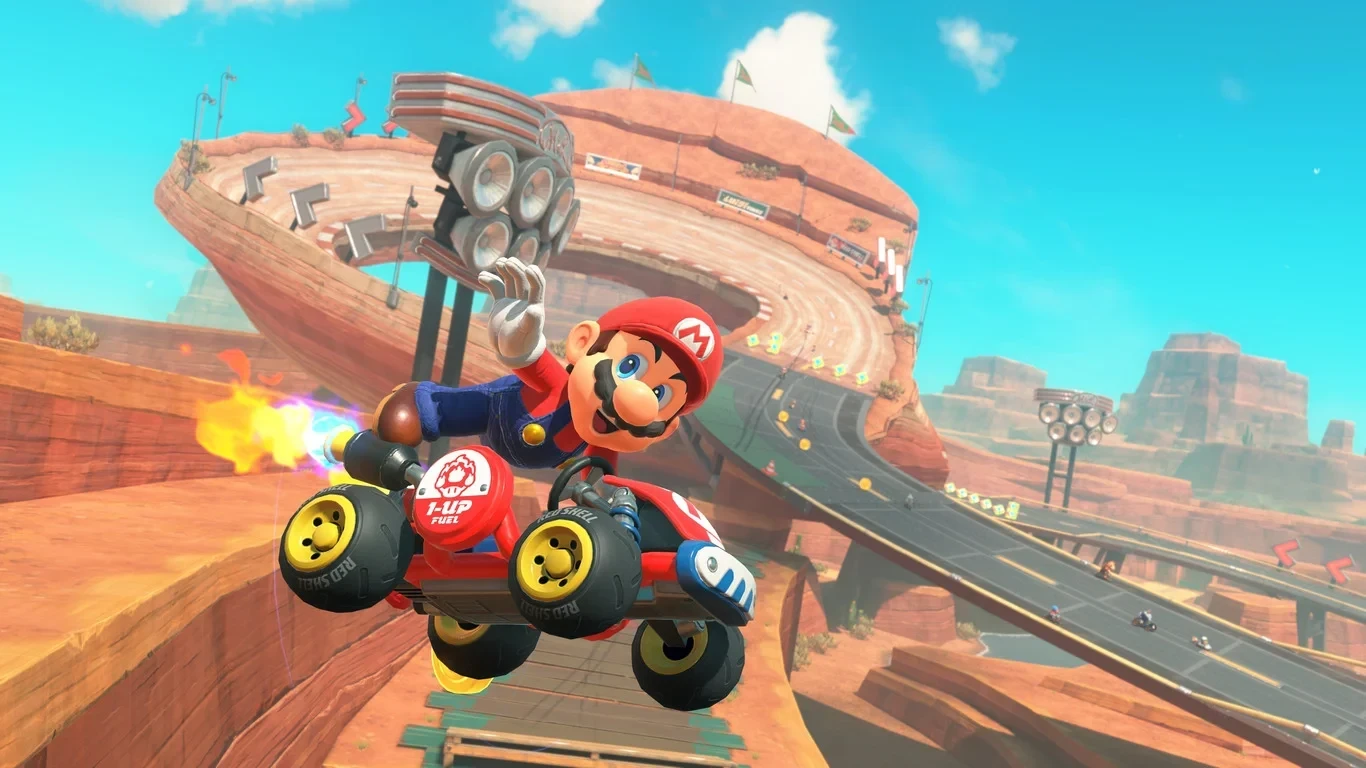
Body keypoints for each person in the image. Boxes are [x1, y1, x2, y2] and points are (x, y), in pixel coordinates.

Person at [373, 257, 724, 473]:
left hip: (519, 465)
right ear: (583, 343)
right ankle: (420, 401)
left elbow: (601, 482)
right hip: (500, 413)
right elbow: (536, 365)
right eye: (630, 365)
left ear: (667, 428)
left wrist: (609, 509)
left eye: (660, 395)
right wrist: (519, 343)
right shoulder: (560, 389)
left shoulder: (602, 444)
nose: (637, 401)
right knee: (418, 419)